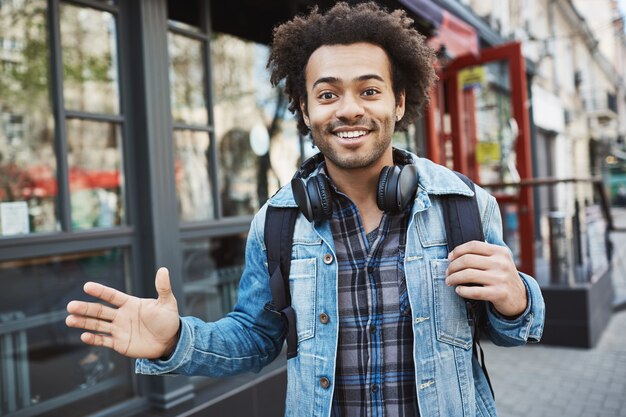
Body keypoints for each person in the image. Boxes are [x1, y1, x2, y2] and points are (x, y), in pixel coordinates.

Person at [66, 3, 545, 416]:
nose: (349, 109)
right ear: (304, 108)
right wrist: (176, 341)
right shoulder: (276, 222)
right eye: (328, 94)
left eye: (370, 91)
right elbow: (255, 339)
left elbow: (511, 331)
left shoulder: (463, 205)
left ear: (400, 102)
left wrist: (517, 297)